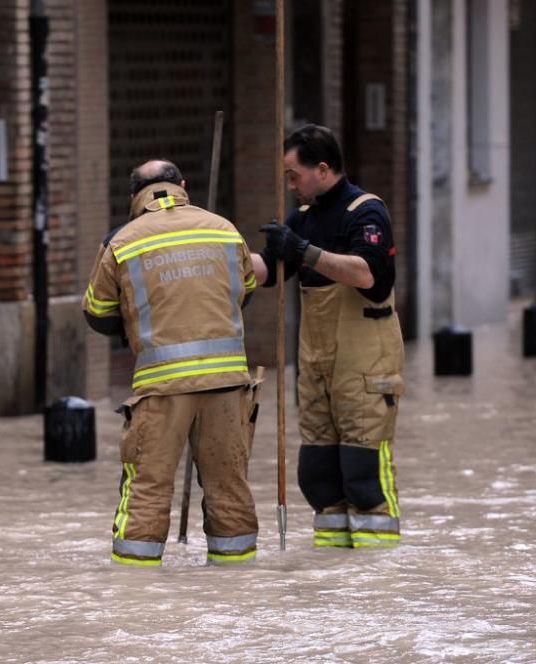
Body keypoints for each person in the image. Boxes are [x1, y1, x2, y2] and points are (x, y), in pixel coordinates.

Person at [82, 159, 261, 566]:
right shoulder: (225, 229)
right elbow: (246, 290)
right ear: (182, 186)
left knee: (146, 489)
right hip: (227, 384)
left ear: (134, 196)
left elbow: (95, 311)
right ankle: (240, 588)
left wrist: (134, 321)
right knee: (230, 490)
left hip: (162, 388)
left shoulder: (122, 241)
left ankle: (136, 593)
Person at [253, 124, 403, 549]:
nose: (290, 185)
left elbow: (367, 275)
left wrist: (302, 251)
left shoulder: (366, 212)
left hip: (365, 371)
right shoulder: (303, 217)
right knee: (318, 477)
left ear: (322, 169)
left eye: (293, 175)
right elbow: (267, 269)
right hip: (317, 368)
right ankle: (334, 584)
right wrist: (220, 254)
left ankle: (377, 581)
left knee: (364, 477)